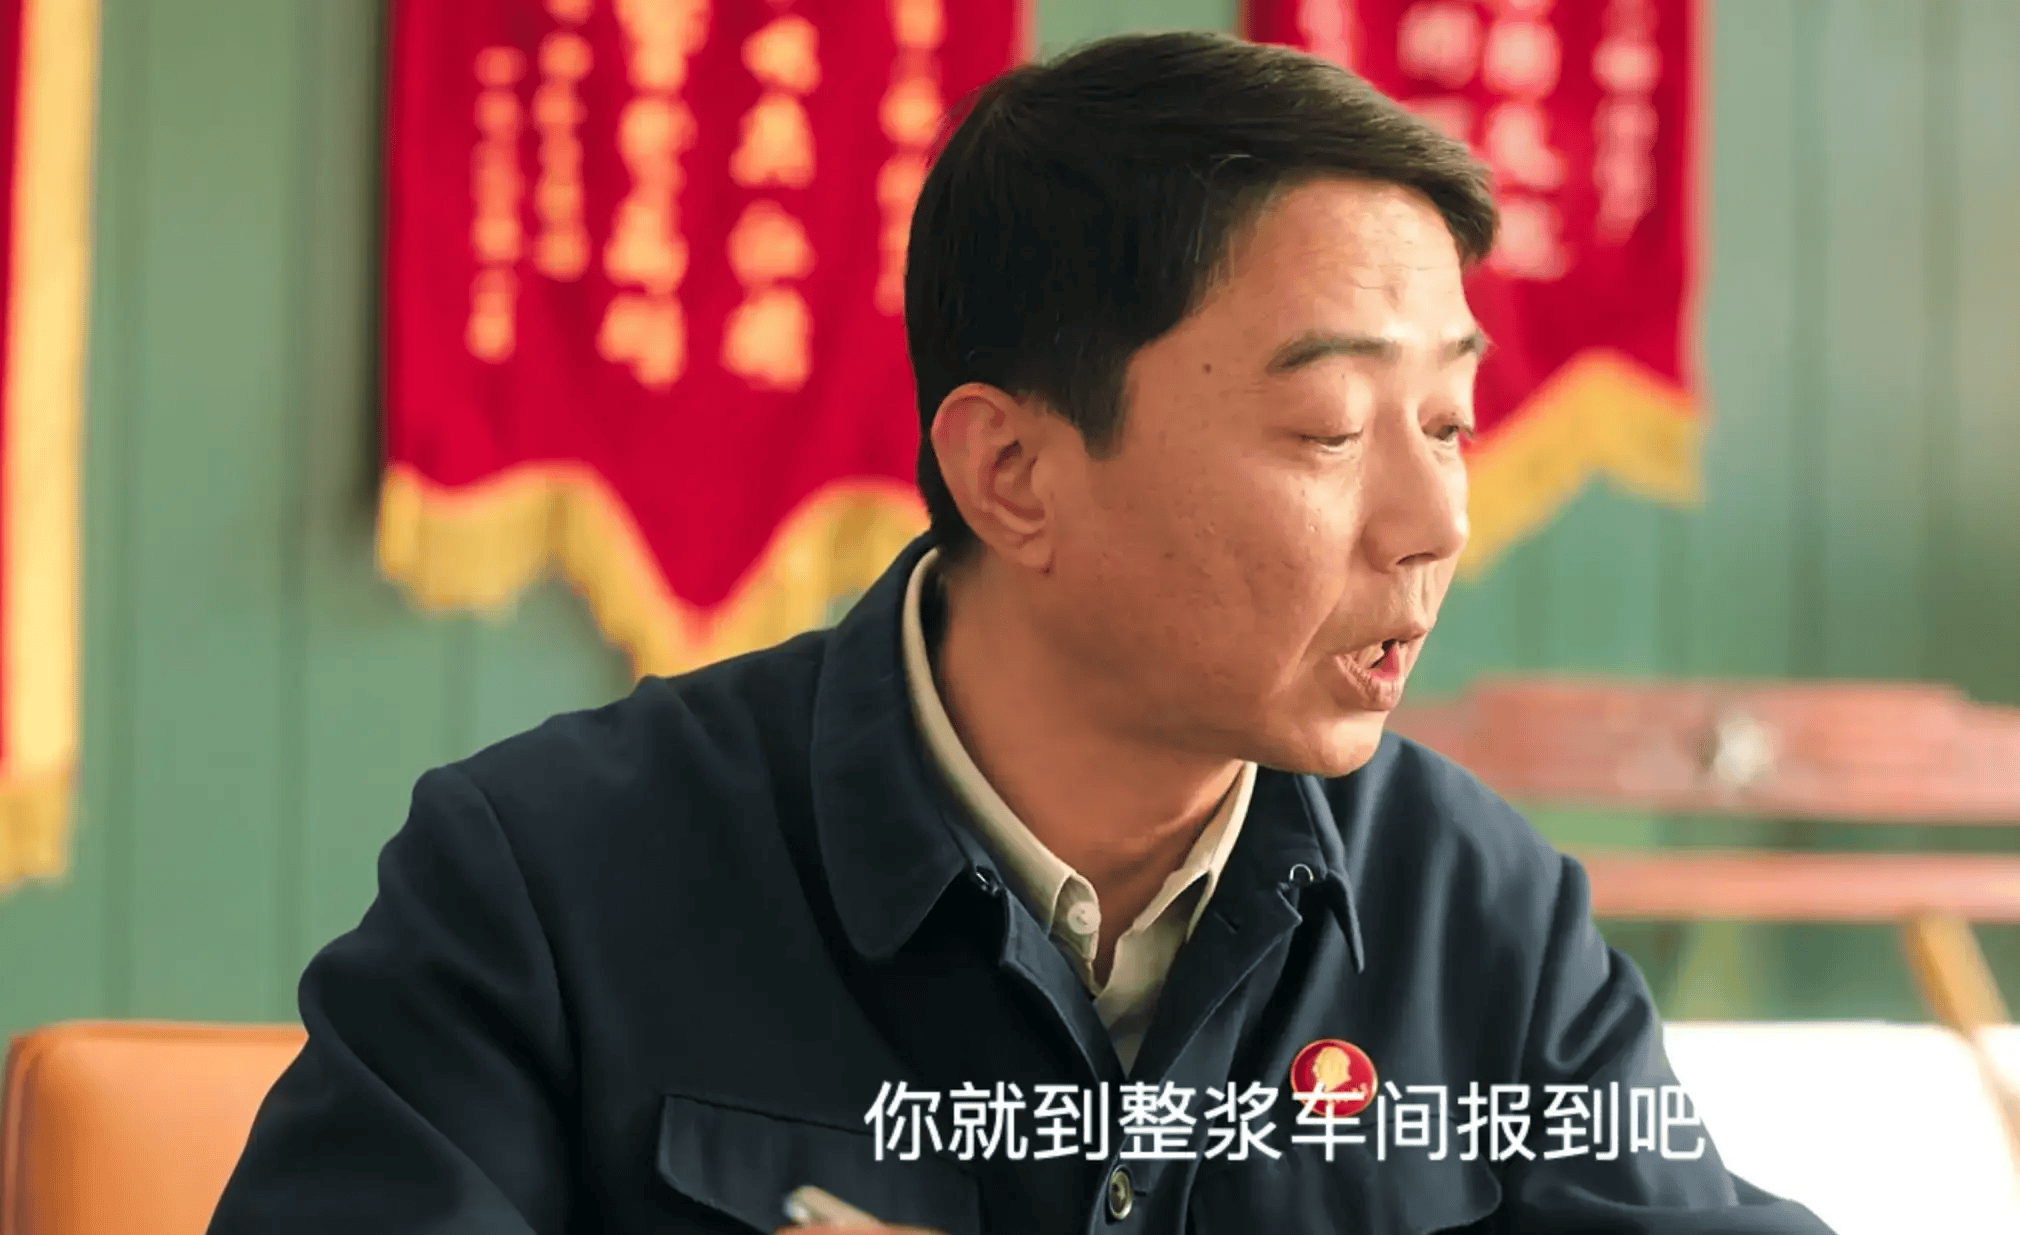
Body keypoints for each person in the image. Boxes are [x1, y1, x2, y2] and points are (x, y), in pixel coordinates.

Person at [208, 29, 1832, 1235]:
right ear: (1011, 474)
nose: (1432, 523)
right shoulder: (547, 882)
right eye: (1333, 431)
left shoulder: (1475, 912)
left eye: (1453, 424)